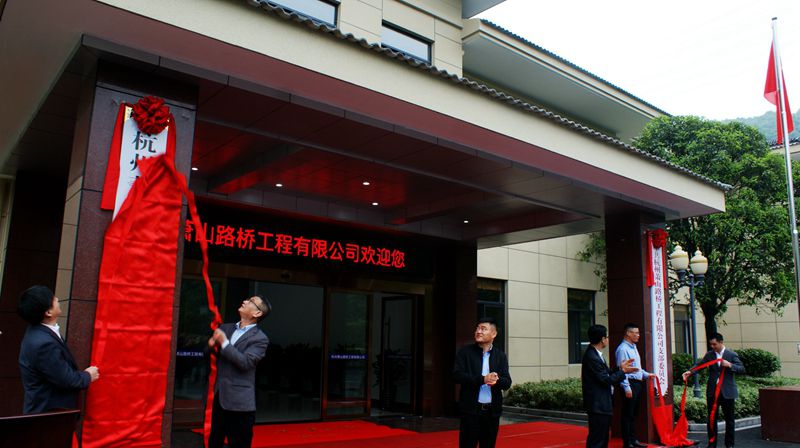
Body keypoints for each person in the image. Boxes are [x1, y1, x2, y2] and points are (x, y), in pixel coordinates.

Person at [17, 285, 100, 414]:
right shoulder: (43, 344)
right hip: (48, 414)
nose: (57, 299)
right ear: (48, 313)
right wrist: (88, 376)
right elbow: (66, 379)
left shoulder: (38, 332)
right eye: (53, 299)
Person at [207, 294, 270, 448]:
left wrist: (224, 342)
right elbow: (209, 356)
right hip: (220, 397)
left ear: (257, 313)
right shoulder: (225, 328)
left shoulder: (260, 339)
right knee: (214, 442)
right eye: (247, 299)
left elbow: (245, 363)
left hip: (240, 404)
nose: (245, 301)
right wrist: (210, 345)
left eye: (251, 301)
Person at [453, 316, 512, 448]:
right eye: (477, 328)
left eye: (483, 329)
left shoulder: (500, 356)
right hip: (470, 412)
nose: (478, 331)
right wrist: (483, 379)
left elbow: (507, 382)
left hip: (491, 413)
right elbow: (457, 375)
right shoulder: (465, 352)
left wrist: (496, 380)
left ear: (494, 333)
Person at [682, 333, 744, 448]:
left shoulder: (731, 354)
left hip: (727, 392)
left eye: (714, 344)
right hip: (712, 391)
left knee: (729, 420)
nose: (712, 346)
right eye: (711, 344)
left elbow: (741, 369)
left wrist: (730, 365)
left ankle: (729, 445)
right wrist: (690, 372)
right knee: (711, 419)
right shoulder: (710, 355)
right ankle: (712, 444)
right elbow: (700, 365)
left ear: (721, 342)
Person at [582, 324, 636, 448]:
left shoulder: (596, 354)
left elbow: (607, 372)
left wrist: (620, 368)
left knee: (602, 437)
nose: (607, 339)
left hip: (601, 403)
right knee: (598, 439)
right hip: (598, 404)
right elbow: (606, 380)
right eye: (606, 337)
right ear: (602, 339)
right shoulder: (592, 357)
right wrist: (623, 372)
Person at [614, 323, 652, 448]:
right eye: (635, 333)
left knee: (633, 414)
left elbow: (637, 368)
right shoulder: (623, 349)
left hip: (637, 383)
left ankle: (633, 439)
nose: (638, 335)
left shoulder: (633, 347)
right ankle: (627, 442)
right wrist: (626, 387)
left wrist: (647, 375)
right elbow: (623, 370)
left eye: (638, 333)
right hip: (630, 384)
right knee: (627, 414)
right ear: (628, 333)